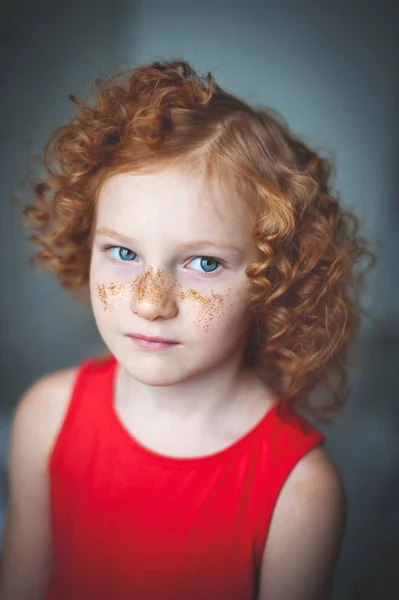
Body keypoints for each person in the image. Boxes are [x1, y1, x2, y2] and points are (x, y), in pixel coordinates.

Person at [0, 59, 375, 600]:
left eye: (203, 263)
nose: (151, 303)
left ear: (276, 280)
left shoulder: (299, 492)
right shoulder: (45, 418)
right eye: (124, 252)